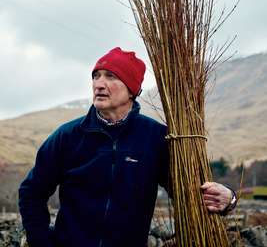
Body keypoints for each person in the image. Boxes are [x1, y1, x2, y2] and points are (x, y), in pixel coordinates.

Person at [19, 47, 236, 247]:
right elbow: (31, 192)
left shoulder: (157, 138)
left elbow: (193, 193)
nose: (99, 84)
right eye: (96, 76)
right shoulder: (68, 136)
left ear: (132, 89)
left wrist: (229, 199)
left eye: (110, 76)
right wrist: (42, 242)